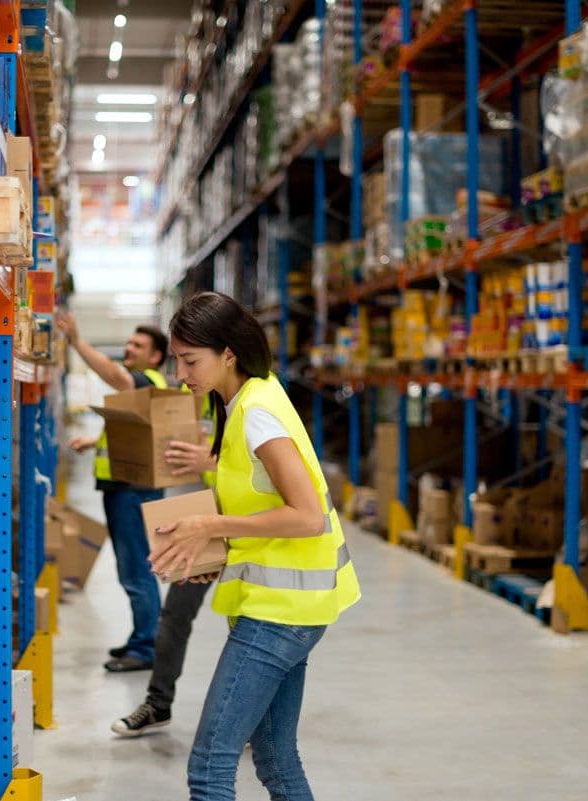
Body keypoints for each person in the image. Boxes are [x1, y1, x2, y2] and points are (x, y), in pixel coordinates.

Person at [149, 292, 361, 801]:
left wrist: (210, 524)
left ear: (228, 354)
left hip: (280, 615)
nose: (181, 373)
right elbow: (259, 497)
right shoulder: (247, 398)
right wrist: (214, 553)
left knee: (209, 768)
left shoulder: (258, 412)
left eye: (189, 360)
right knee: (275, 758)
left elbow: (307, 516)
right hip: (286, 606)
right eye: (177, 358)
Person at [56, 311, 170, 673]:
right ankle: (142, 638)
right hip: (124, 488)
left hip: (132, 491)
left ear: (155, 357)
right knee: (132, 568)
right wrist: (95, 440)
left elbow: (117, 376)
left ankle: (147, 647)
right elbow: (133, 433)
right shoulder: (141, 389)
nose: (129, 348)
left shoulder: (143, 380)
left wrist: (76, 341)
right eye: (129, 342)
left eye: (138, 345)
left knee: (137, 570)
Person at [111, 407, 218, 737]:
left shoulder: (258, 397)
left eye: (190, 359)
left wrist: (214, 462)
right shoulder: (193, 398)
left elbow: (276, 466)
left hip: (249, 525)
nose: (184, 372)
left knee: (249, 625)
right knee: (174, 614)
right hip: (203, 519)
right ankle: (158, 705)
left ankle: (257, 722)